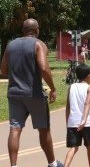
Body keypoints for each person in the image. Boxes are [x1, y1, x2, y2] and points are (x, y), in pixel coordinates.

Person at [0, 18, 64, 167]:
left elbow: (3, 70)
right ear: (36, 30)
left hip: (14, 93)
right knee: (44, 129)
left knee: (15, 129)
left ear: (23, 31)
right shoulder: (38, 44)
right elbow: (43, 67)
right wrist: (53, 88)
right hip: (34, 94)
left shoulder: (10, 45)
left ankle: (13, 165)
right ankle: (52, 163)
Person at [64, 63, 90, 167]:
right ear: (88, 76)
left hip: (73, 122)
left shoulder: (71, 87)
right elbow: (87, 104)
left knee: (73, 147)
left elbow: (67, 107)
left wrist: (67, 122)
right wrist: (84, 120)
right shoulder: (89, 88)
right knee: (89, 146)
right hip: (87, 123)